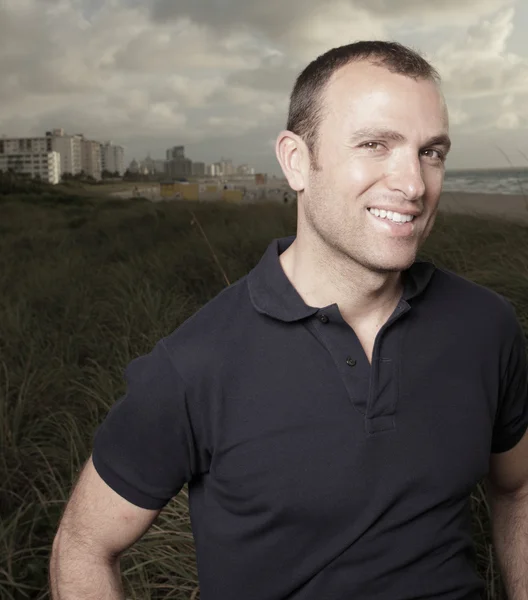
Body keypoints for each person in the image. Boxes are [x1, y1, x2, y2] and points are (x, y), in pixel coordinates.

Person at [50, 41, 528, 600]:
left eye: (432, 152)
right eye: (375, 144)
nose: (414, 185)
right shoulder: (195, 364)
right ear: (297, 161)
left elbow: (518, 489)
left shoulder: (485, 325)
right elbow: (83, 545)